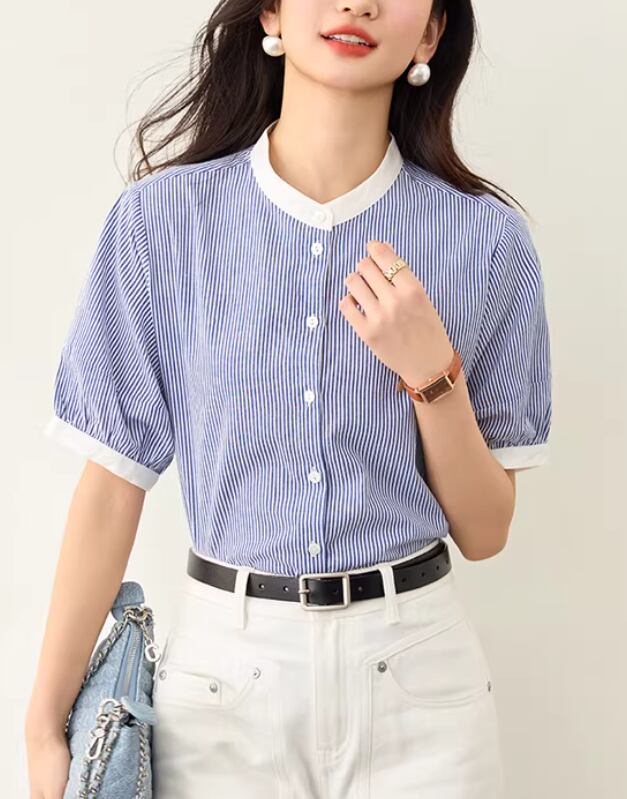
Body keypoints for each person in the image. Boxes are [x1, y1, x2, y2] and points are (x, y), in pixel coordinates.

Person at [25, 0, 553, 796]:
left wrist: (432, 375)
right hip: (221, 690)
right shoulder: (160, 223)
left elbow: (484, 530)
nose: (357, 4)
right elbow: (109, 490)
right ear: (270, 12)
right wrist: (44, 721)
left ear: (431, 32)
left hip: (420, 688)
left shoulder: (486, 241)